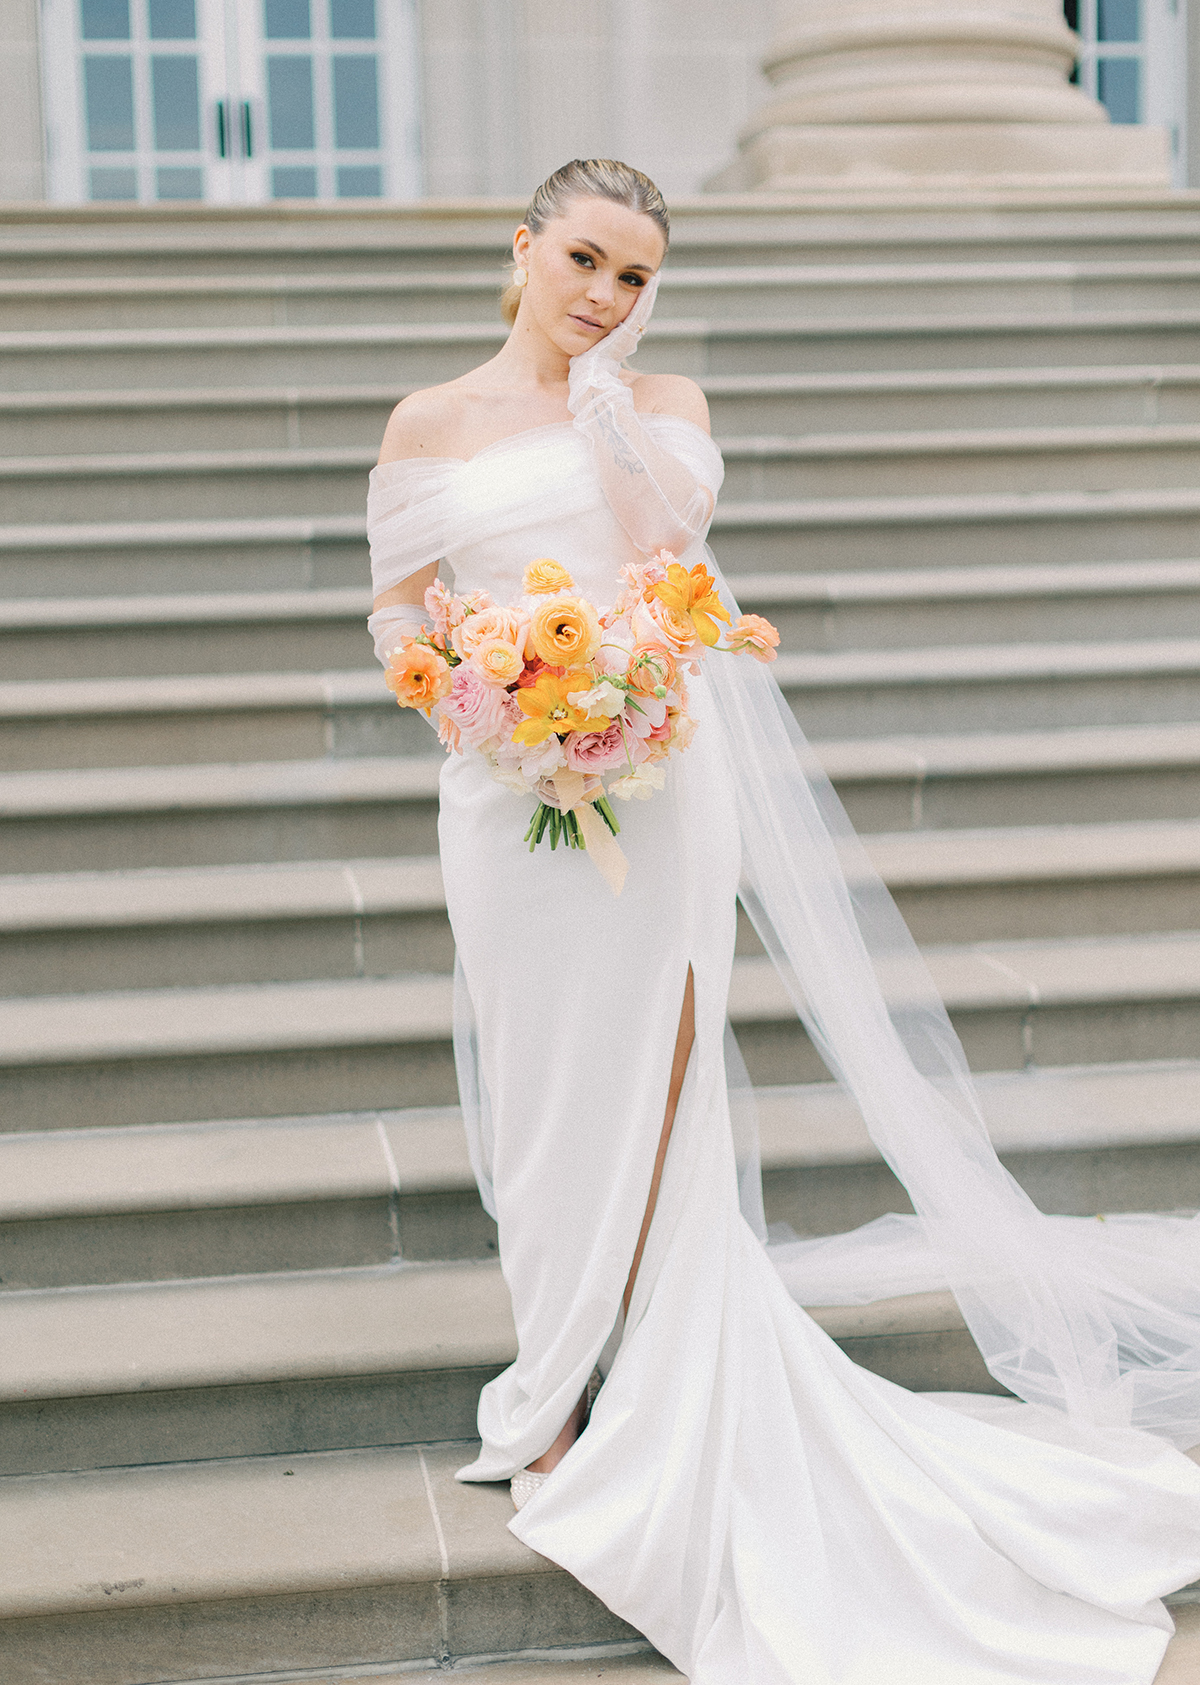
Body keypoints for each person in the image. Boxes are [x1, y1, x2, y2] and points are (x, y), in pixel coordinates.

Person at [367, 158, 1200, 1685]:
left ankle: (602, 1393)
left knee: (653, 1086)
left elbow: (671, 561)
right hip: (506, 799)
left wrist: (610, 412)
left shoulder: (664, 401)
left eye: (636, 276)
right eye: (586, 262)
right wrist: (477, 706)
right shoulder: (428, 422)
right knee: (549, 1091)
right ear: (526, 246)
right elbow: (396, 607)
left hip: (660, 780)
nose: (607, 297)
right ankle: (552, 1378)